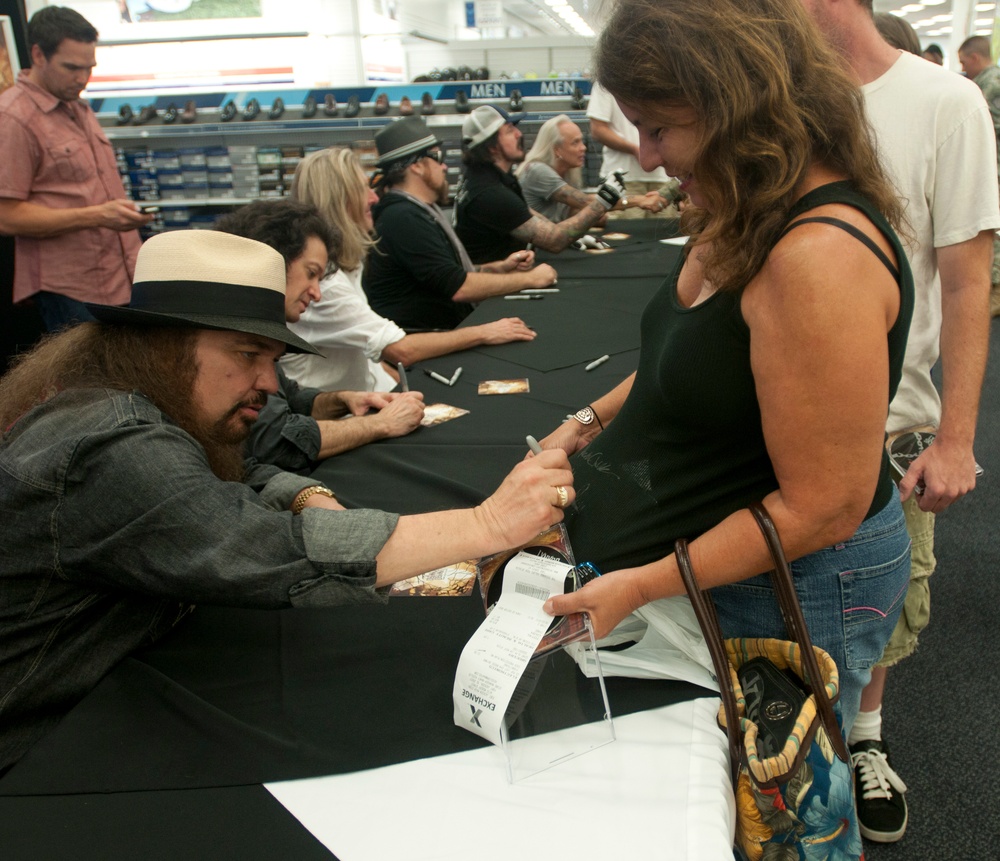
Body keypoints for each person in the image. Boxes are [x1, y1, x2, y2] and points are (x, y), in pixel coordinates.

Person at [538, 8, 914, 856]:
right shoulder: (748, 211)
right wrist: (586, 423)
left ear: (735, 101)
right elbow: (687, 358)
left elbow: (823, 507)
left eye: (660, 127)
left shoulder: (816, 257)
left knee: (791, 818)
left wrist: (639, 585)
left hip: (799, 589)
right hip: (734, 576)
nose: (646, 154)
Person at [0, 228, 575, 773]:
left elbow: (243, 471)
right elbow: (262, 550)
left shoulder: (126, 401)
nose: (272, 385)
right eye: (248, 354)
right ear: (164, 345)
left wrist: (308, 493)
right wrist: (489, 522)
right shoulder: (116, 448)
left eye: (272, 359)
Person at [804, 0, 999, 843]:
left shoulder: (944, 102)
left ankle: (866, 740)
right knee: (785, 592)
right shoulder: (774, 98)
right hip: (778, 415)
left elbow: (965, 277)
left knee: (883, 603)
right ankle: (799, 744)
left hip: (895, 422)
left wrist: (956, 437)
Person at [284, 146, 538, 392]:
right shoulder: (326, 284)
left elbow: (363, 349)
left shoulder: (349, 262)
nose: (374, 197)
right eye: (363, 189)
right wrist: (487, 330)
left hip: (371, 390)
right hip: (342, 411)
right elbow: (403, 345)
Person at [213, 199, 426, 473]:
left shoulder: (257, 327)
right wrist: (380, 424)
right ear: (271, 262)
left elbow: (291, 398)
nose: (316, 293)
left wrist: (344, 400)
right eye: (310, 274)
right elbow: (275, 440)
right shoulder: (232, 334)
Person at [0, 6, 151, 332]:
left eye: (89, 68)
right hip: (70, 290)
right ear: (38, 54)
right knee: (87, 382)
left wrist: (123, 215)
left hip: (119, 279)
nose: (82, 78)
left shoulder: (77, 107)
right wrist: (99, 215)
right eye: (71, 67)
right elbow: (6, 216)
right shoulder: (13, 118)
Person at [363, 117, 559, 331]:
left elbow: (442, 273)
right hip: (428, 340)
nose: (445, 166)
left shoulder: (419, 210)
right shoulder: (403, 218)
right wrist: (530, 279)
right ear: (417, 166)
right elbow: (460, 287)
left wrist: (499, 267)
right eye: (438, 157)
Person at [453, 105, 629, 263]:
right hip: (494, 291)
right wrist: (604, 200)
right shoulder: (489, 193)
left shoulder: (491, 177)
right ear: (492, 146)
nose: (518, 134)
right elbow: (554, 240)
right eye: (509, 131)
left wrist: (573, 236)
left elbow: (529, 217)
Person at [516, 113, 666, 222]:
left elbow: (574, 210)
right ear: (556, 149)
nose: (583, 148)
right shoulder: (537, 171)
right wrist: (639, 200)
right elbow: (586, 202)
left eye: (582, 142)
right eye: (575, 143)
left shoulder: (567, 173)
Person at [586, 80, 684, 220]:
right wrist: (634, 149)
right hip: (624, 180)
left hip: (664, 178)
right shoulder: (608, 80)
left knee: (665, 235)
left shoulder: (663, 76)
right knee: (623, 235)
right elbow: (598, 129)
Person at [957, 34, 1000, 316]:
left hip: (993, 167)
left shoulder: (991, 85)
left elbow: (989, 132)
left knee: (991, 225)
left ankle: (995, 288)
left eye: (964, 62)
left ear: (975, 58)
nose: (963, 67)